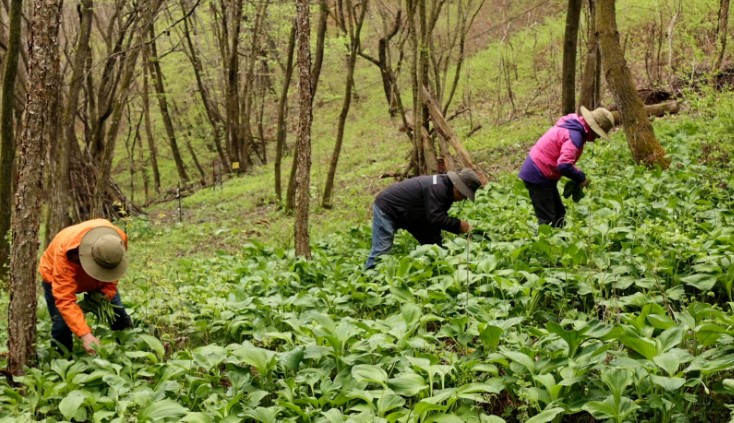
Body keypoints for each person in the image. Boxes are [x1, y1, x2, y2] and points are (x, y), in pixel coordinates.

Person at [39, 218, 133, 354]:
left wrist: (107, 291)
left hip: (95, 280)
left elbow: (114, 267)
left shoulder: (117, 238)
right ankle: (62, 361)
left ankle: (128, 349)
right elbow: (65, 299)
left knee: (118, 314)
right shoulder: (66, 253)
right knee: (61, 327)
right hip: (56, 275)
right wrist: (85, 335)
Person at [365, 168, 482, 269]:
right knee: (381, 251)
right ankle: (370, 277)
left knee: (432, 245)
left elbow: (434, 221)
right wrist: (458, 225)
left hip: (411, 213)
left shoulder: (446, 189)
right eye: (464, 194)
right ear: (457, 186)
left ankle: (435, 269)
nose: (463, 199)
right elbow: (435, 218)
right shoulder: (439, 188)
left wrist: (438, 244)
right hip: (388, 209)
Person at [518, 106, 614, 228]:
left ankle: (560, 243)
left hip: (543, 173)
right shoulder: (575, 136)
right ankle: (543, 245)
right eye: (599, 133)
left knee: (559, 214)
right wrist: (581, 178)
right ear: (593, 128)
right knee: (548, 220)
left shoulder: (574, 126)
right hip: (538, 174)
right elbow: (564, 165)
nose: (598, 137)